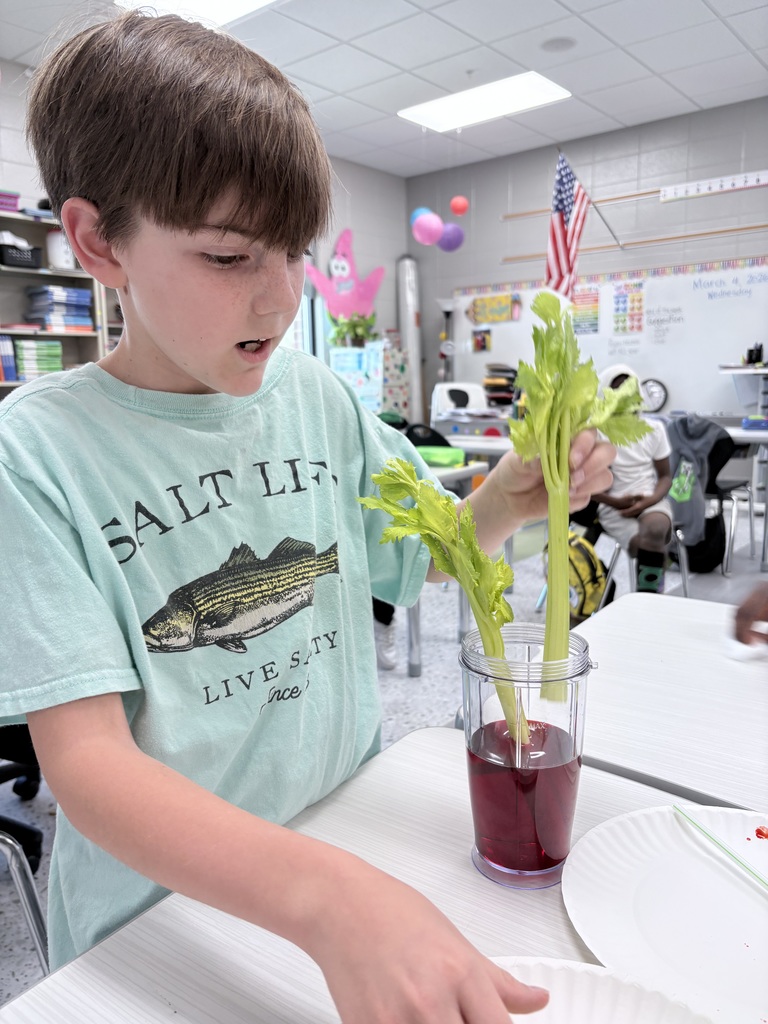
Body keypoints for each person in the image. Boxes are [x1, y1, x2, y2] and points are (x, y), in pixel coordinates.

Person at [0, 12, 614, 1023]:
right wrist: (328, 902)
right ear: (98, 241)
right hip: (160, 923)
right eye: (231, 257)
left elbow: (427, 559)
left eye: (295, 254)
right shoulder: (36, 451)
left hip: (345, 838)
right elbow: (91, 768)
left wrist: (511, 492)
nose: (282, 300)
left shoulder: (319, 398)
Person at [593, 364, 673, 593]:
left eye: (630, 391)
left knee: (656, 530)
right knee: (647, 546)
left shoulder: (654, 429)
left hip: (651, 498)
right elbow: (583, 485)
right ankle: (649, 597)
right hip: (612, 505)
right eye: (617, 392)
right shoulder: (596, 431)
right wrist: (615, 502)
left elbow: (665, 476)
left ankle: (649, 601)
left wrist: (648, 501)